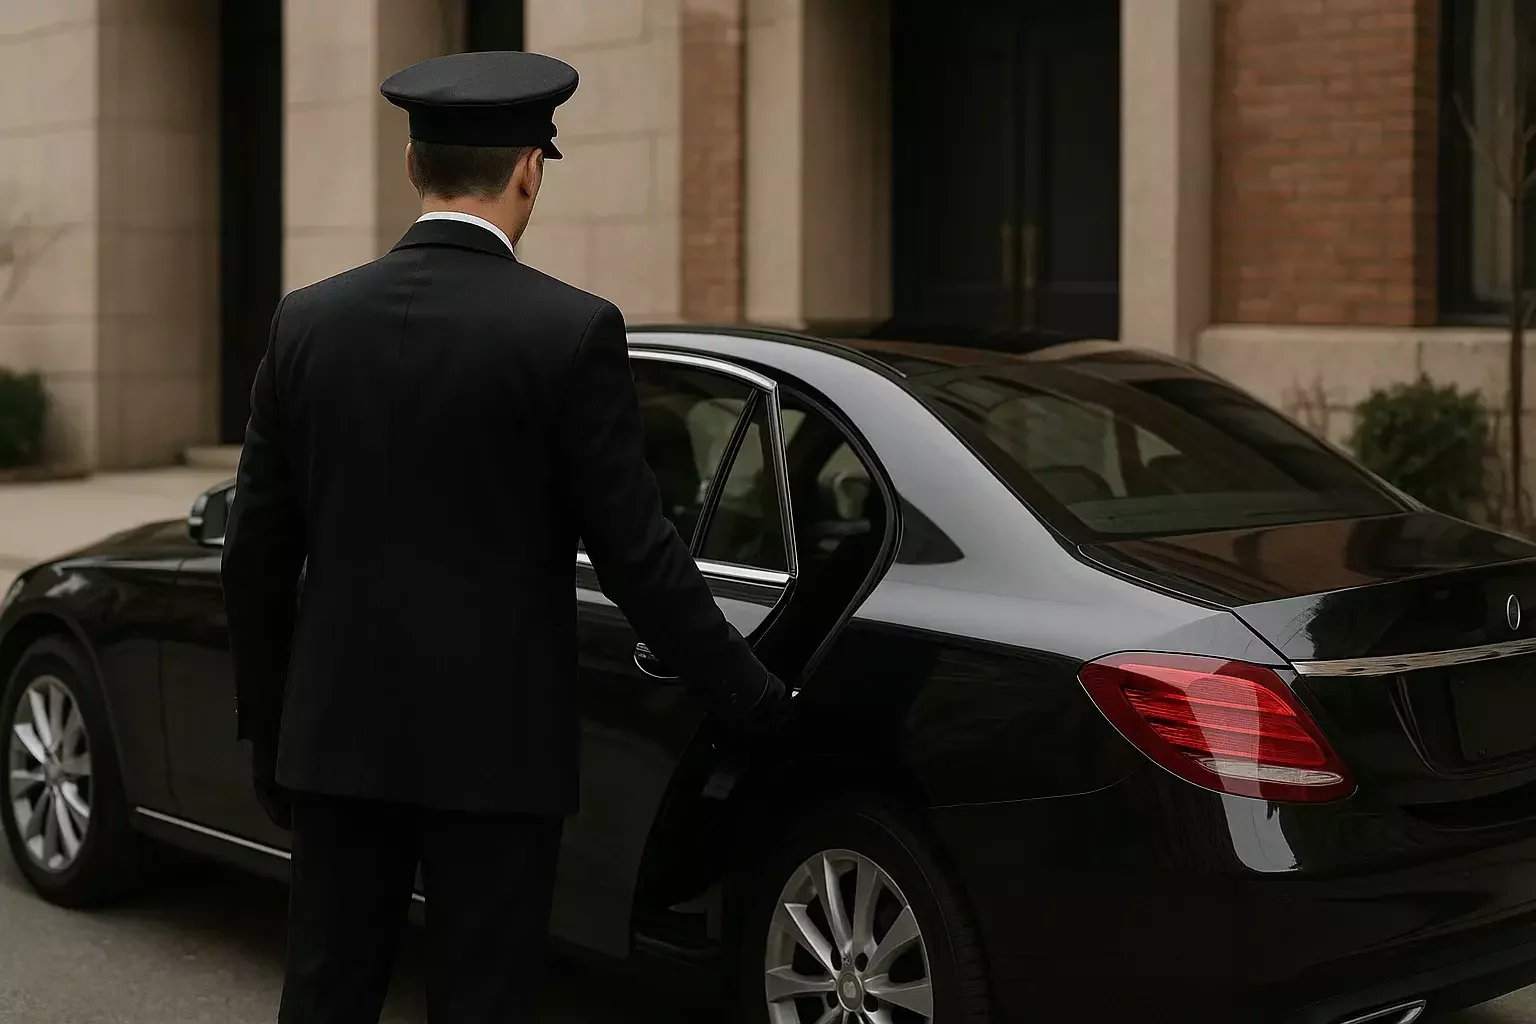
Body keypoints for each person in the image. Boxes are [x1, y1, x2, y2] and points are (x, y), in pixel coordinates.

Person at [219, 49, 790, 1024]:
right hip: (498, 755)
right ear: (530, 168)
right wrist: (754, 699)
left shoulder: (305, 324)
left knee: (325, 992)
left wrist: (273, 735)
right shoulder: (569, 331)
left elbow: (254, 557)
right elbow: (639, 554)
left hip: (335, 743)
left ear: (413, 164)